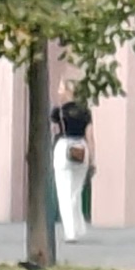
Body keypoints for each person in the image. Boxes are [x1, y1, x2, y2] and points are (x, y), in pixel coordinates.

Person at [52, 93, 94, 236]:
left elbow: (54, 129)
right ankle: (79, 227)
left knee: (64, 192)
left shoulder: (59, 112)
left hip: (64, 147)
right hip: (82, 148)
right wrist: (93, 159)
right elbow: (90, 136)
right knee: (76, 192)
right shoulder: (85, 112)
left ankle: (70, 232)